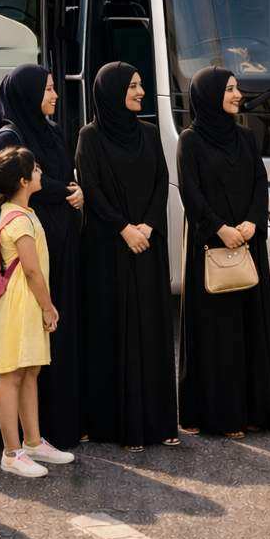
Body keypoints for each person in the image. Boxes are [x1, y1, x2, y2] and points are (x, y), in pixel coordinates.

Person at [0, 65, 84, 449]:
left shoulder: (48, 130)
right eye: (48, 89)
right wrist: (64, 191)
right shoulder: (11, 136)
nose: (55, 95)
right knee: (22, 351)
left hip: (55, 239)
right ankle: (15, 441)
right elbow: (11, 183)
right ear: (27, 93)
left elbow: (63, 175)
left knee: (41, 350)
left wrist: (76, 192)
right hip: (27, 255)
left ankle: (47, 430)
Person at [75, 61, 179, 451]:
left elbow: (160, 183)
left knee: (150, 330)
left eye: (140, 85)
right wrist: (124, 229)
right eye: (133, 86)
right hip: (108, 250)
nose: (140, 92)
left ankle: (157, 423)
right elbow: (92, 188)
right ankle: (115, 425)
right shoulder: (90, 136)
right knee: (112, 332)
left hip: (147, 247)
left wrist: (148, 227)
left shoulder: (150, 134)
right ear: (112, 91)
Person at [177, 66, 270, 438]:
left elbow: (259, 181)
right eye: (230, 90)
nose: (238, 95)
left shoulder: (245, 136)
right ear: (209, 97)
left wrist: (253, 223)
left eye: (237, 88)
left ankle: (255, 410)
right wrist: (221, 228)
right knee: (217, 333)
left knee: (250, 328)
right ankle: (220, 416)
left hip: (248, 243)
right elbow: (191, 194)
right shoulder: (189, 141)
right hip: (212, 245)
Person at [0, 145, 75, 477]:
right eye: (35, 170)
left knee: (30, 370)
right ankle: (11, 452)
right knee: (12, 374)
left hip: (25, 303)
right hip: (20, 304)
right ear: (22, 180)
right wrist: (49, 307)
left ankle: (32, 442)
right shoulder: (18, 219)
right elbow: (31, 271)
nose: (40, 173)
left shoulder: (22, 213)